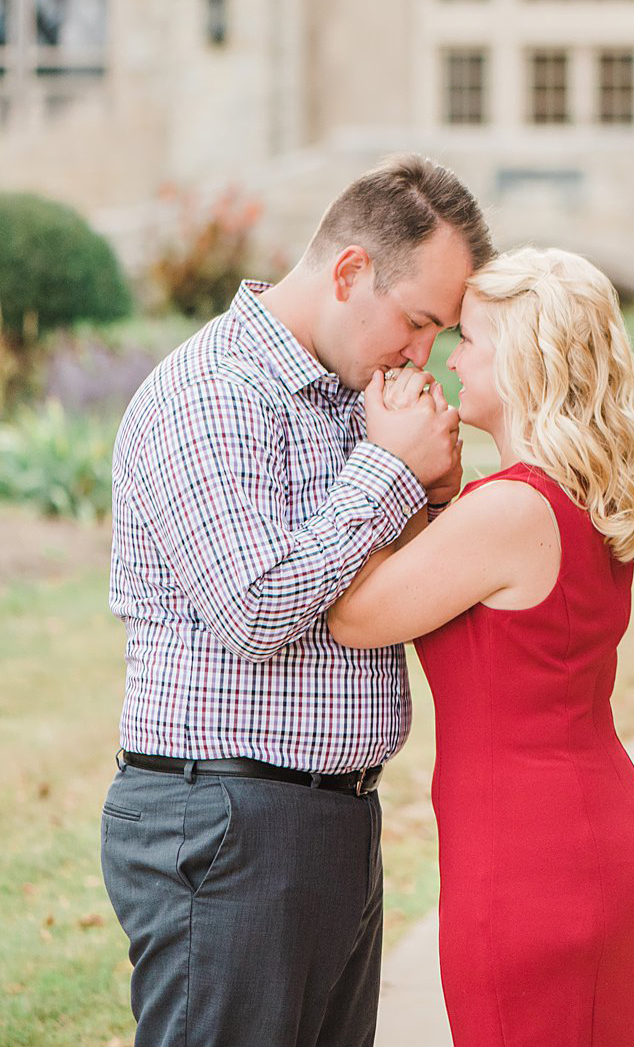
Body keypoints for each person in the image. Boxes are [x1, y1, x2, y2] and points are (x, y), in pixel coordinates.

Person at [100, 153, 492, 1047]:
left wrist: (427, 498)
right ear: (351, 270)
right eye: (419, 321)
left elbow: (367, 587)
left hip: (336, 818)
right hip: (226, 826)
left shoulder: (349, 400)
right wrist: (392, 470)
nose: (421, 354)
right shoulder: (213, 393)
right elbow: (259, 606)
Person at [328, 247, 634, 1047]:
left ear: (524, 359)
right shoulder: (569, 491)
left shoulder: (510, 509)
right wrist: (432, 485)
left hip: (534, 867)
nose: (451, 356)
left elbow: (354, 614)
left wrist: (385, 459)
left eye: (472, 339)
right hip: (587, 841)